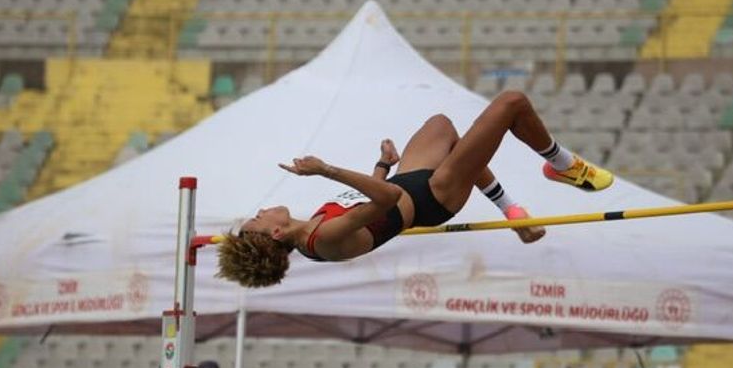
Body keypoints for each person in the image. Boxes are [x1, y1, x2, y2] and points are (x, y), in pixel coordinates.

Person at [218, 91, 614, 287]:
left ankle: (514, 214)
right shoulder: (323, 239)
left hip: (408, 179)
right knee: (511, 103)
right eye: (258, 217)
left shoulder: (311, 229)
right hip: (434, 196)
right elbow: (386, 199)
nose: (263, 209)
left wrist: (382, 165)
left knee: (441, 125)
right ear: (273, 232)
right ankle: (564, 166)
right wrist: (326, 170)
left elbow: (368, 201)